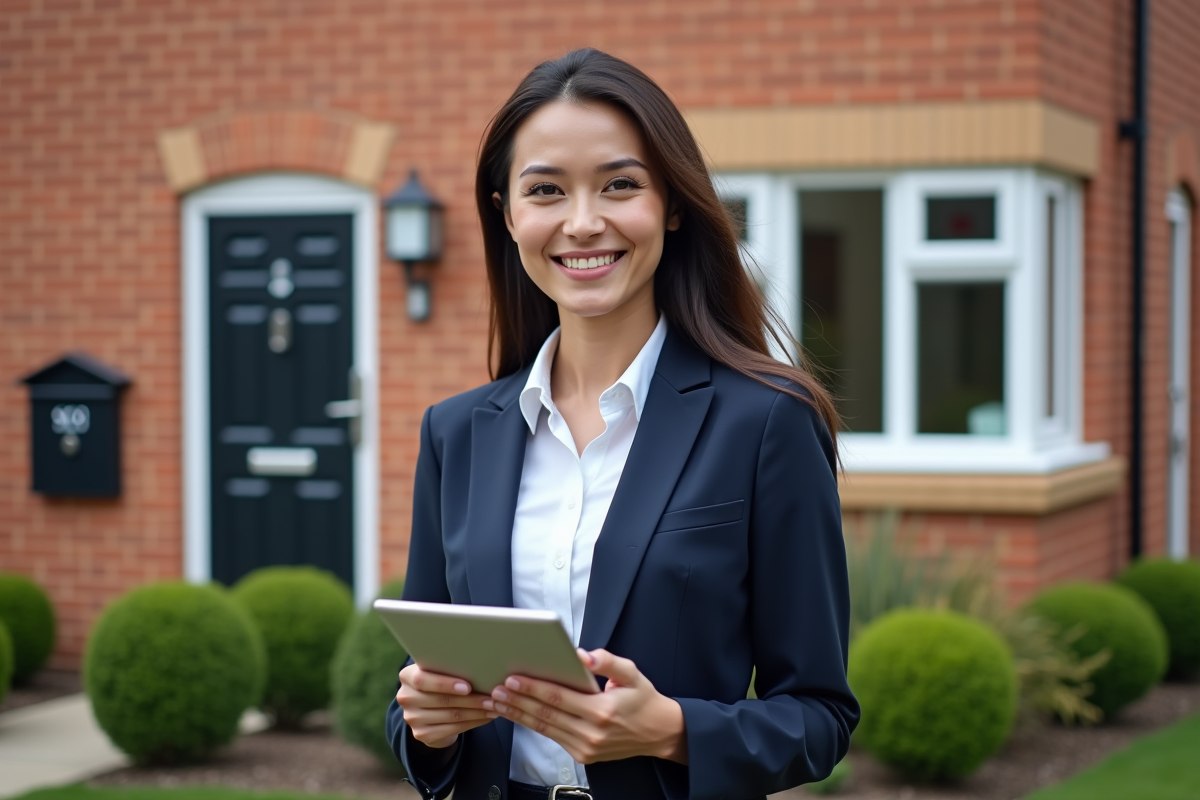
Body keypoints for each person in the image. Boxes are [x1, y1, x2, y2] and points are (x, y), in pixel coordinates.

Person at [385, 48, 859, 800]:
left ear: (670, 204)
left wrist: (671, 729)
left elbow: (820, 716)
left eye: (620, 185)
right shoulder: (456, 435)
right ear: (507, 214)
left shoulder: (766, 424)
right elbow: (419, 691)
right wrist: (426, 724)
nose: (583, 222)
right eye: (545, 190)